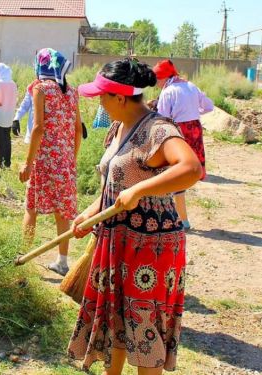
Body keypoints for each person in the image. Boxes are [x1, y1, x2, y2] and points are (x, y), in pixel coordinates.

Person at [67, 58, 203, 375]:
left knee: (145, 331)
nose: (98, 103)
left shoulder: (159, 129)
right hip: (117, 240)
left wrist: (141, 190)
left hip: (151, 249)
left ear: (119, 97)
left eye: (102, 96)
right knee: (115, 324)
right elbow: (110, 183)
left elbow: (191, 168)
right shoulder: (117, 128)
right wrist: (90, 213)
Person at [19, 48, 82, 276]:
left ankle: (22, 258)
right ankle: (62, 262)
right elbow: (77, 130)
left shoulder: (40, 88)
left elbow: (38, 127)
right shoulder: (72, 93)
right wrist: (70, 159)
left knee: (32, 207)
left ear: (40, 65)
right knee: (62, 211)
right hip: (65, 161)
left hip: (43, 159)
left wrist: (28, 162)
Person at [152, 59, 214, 230]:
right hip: (194, 129)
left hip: (177, 130)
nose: (156, 83)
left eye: (157, 79)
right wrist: (194, 111)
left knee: (175, 171)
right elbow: (209, 106)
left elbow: (162, 116)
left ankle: (181, 219)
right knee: (187, 170)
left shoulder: (168, 91)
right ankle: (180, 216)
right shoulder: (191, 86)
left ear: (164, 77)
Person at [12, 79, 40, 144]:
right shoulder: (33, 86)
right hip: (33, 128)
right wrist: (16, 119)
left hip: (51, 132)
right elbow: (24, 106)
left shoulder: (60, 88)